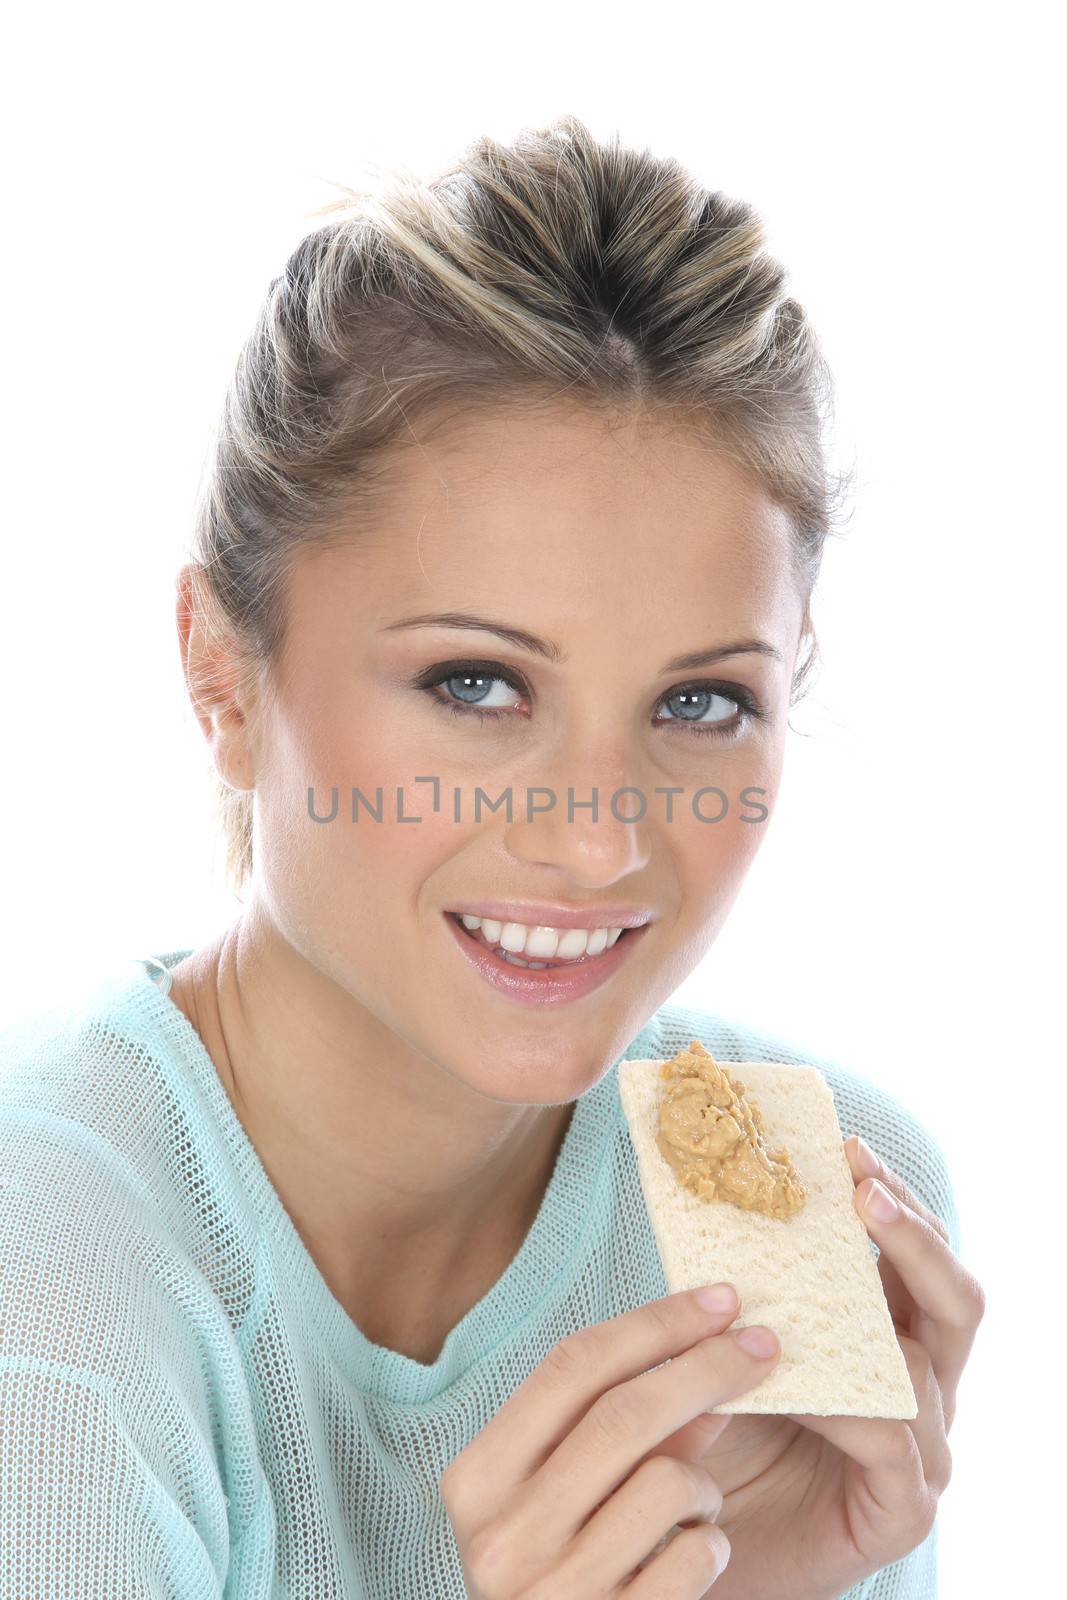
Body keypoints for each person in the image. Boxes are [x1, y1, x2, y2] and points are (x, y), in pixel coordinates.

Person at [0, 115, 983, 1598]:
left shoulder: (797, 1192)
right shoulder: (45, 1281)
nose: (599, 840)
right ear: (222, 670)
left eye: (701, 703)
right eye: (476, 684)